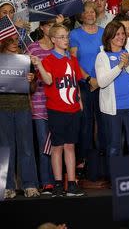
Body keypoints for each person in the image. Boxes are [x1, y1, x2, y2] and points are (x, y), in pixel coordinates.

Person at [31, 23, 85, 196]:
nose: (65, 40)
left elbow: (75, 82)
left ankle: (71, 182)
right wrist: (39, 64)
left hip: (73, 109)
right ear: (53, 39)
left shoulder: (72, 60)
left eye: (67, 36)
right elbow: (47, 81)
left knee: (70, 146)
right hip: (56, 109)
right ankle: (57, 183)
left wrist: (80, 101)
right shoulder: (48, 60)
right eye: (61, 37)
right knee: (57, 147)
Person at [95, 21, 129, 159]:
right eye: (117, 34)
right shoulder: (102, 56)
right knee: (114, 147)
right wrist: (119, 66)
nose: (121, 37)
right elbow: (102, 82)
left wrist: (128, 66)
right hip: (112, 111)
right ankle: (115, 179)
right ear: (109, 37)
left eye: (123, 33)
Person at [0, 35, 40, 199]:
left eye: (17, 40)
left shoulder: (24, 59)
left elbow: (31, 88)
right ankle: (7, 187)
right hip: (2, 108)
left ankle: (29, 185)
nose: (15, 43)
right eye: (11, 40)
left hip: (23, 107)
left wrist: (31, 79)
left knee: (26, 147)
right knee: (5, 147)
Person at [28, 16, 64, 194]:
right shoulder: (33, 48)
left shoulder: (60, 48)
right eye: (48, 25)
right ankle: (46, 181)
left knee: (58, 144)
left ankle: (58, 179)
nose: (51, 28)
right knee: (44, 144)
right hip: (40, 103)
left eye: (53, 25)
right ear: (42, 28)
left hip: (59, 103)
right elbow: (28, 75)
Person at [69, 1, 105, 176]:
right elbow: (73, 61)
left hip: (104, 84)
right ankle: (83, 160)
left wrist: (100, 80)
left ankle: (100, 160)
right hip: (84, 84)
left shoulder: (104, 32)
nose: (90, 14)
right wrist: (89, 79)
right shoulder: (74, 34)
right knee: (86, 123)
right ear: (81, 16)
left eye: (92, 11)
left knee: (103, 123)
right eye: (86, 12)